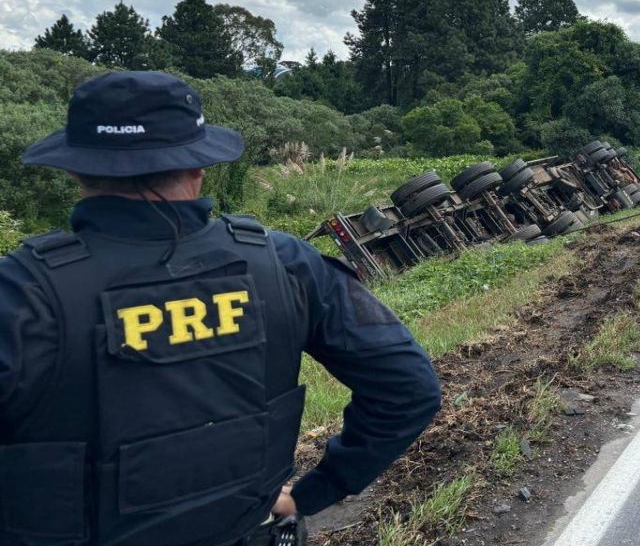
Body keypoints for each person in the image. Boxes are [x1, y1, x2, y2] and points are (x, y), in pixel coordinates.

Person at [0, 71, 442, 545]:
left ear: (74, 169)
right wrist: (316, 490)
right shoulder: (286, 264)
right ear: (198, 167)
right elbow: (408, 387)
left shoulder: (20, 293)